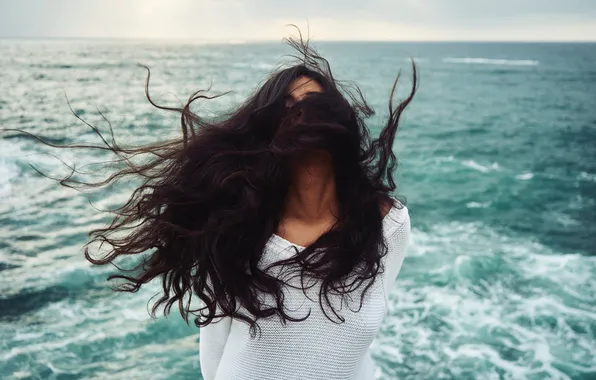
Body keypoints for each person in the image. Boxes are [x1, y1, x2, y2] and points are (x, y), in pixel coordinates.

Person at [6, 32, 416, 380]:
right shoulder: (241, 226)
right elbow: (215, 345)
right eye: (288, 110)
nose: (302, 118)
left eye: (312, 107)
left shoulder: (388, 224)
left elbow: (354, 341)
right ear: (267, 129)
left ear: (339, 120)